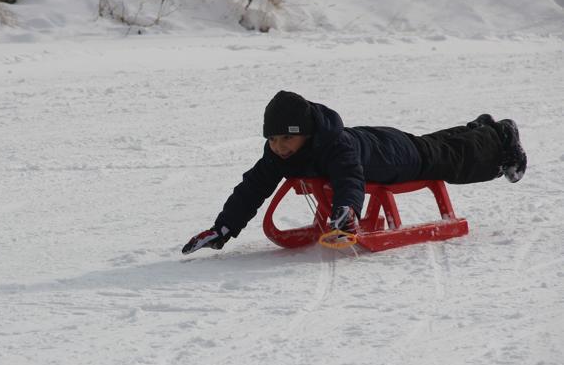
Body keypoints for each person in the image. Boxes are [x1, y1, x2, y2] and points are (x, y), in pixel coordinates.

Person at [181, 90, 527, 254]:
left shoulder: (334, 146)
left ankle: (501, 138)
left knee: (447, 160)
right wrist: (223, 227)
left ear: (306, 133)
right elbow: (253, 187)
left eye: (287, 137)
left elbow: (349, 177)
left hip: (391, 156)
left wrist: (347, 211)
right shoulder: (280, 154)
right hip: (374, 140)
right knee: (432, 146)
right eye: (272, 138)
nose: (279, 146)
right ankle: (480, 127)